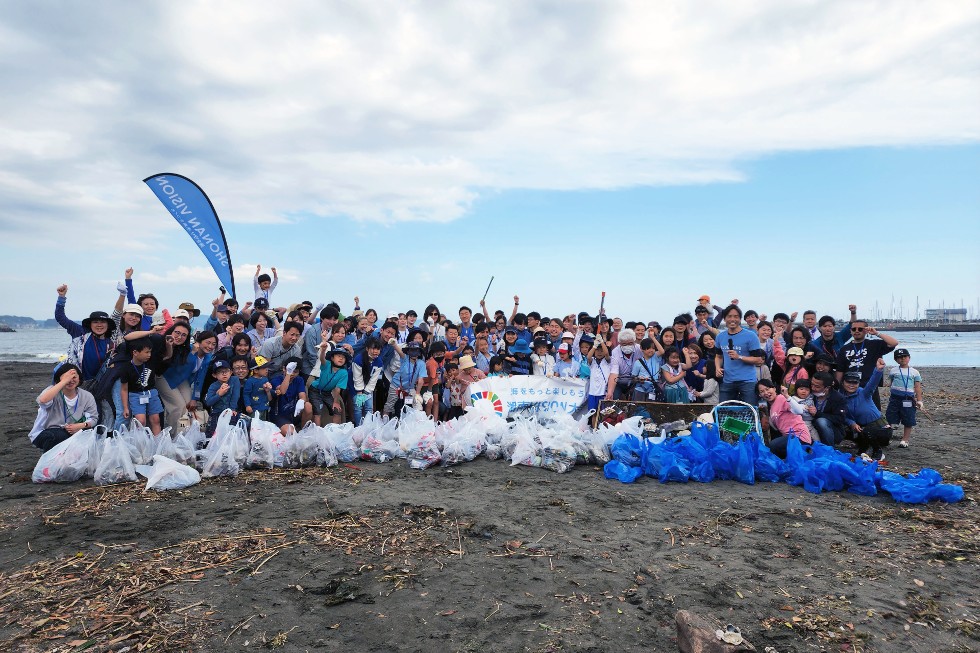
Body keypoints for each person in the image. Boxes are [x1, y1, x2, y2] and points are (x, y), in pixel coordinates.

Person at [54, 285, 119, 383]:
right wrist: (61, 297)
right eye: (95, 322)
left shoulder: (112, 342)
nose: (99, 325)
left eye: (103, 322)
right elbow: (60, 317)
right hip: (77, 381)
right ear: (90, 324)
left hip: (101, 383)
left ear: (108, 325)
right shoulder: (81, 333)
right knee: (57, 371)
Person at [28, 364, 98, 452]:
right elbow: (43, 400)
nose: (70, 380)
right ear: (59, 379)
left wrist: (81, 425)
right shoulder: (52, 391)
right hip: (46, 431)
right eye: (67, 378)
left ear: (79, 378)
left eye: (74, 377)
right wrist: (63, 382)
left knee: (90, 436)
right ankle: (49, 462)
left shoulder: (86, 396)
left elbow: (93, 418)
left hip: (75, 430)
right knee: (59, 436)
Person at [157, 324, 213, 432]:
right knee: (179, 406)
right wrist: (192, 353)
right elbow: (183, 367)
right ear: (199, 341)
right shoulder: (189, 349)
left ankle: (183, 433)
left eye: (184, 335)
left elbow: (198, 379)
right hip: (163, 376)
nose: (210, 346)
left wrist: (194, 398)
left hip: (180, 379)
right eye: (177, 333)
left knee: (188, 405)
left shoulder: (206, 356)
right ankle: (174, 435)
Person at [835, 320, 898, 408]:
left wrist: (876, 333)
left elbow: (894, 343)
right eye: (854, 329)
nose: (857, 331)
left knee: (873, 413)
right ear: (850, 331)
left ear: (866, 330)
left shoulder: (874, 344)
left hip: (870, 386)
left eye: (860, 329)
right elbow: (840, 370)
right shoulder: (844, 349)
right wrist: (837, 388)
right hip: (850, 385)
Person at [714, 305, 765, 405]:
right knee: (724, 411)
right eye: (729, 316)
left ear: (740, 319)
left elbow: (758, 359)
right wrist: (717, 368)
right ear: (724, 318)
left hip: (747, 381)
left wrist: (739, 357)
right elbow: (718, 356)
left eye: (736, 316)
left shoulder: (750, 336)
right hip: (727, 381)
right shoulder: (720, 336)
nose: (732, 319)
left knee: (750, 411)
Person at [842, 360, 892, 461]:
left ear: (858, 383)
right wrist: (852, 423)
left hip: (881, 428)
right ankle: (863, 448)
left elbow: (873, 383)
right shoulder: (841, 398)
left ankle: (878, 451)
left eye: (854, 382)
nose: (851, 385)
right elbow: (843, 416)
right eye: (848, 382)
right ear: (843, 382)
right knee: (847, 431)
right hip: (862, 428)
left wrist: (878, 370)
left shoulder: (865, 393)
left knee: (868, 430)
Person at [756, 379, 811, 458]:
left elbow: (799, 411)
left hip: (799, 438)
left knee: (773, 445)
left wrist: (787, 396)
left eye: (767, 389)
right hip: (788, 439)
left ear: (774, 389)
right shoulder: (771, 408)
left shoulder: (781, 398)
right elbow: (776, 428)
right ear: (760, 395)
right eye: (762, 391)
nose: (766, 393)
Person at [120, 338, 164, 435]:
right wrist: (125, 407)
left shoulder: (150, 362)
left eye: (150, 352)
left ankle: (158, 444)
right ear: (135, 352)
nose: (149, 355)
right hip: (136, 395)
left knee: (156, 419)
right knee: (140, 421)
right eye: (146, 352)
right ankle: (140, 444)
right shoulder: (126, 368)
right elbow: (124, 389)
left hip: (151, 393)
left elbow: (167, 355)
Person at [886, 348, 923, 448]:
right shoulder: (893, 370)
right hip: (894, 398)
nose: (902, 359)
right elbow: (891, 382)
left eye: (904, 356)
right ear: (895, 360)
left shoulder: (914, 372)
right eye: (899, 357)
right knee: (890, 418)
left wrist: (919, 400)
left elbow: (917, 387)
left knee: (908, 419)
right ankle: (886, 438)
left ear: (909, 358)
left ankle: (905, 440)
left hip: (908, 399)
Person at [309, 347, 351, 425]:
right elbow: (322, 359)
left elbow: (338, 389)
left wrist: (336, 402)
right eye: (338, 356)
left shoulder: (344, 372)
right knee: (317, 412)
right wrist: (323, 350)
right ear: (332, 358)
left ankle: (334, 432)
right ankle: (318, 433)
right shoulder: (327, 364)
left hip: (327, 393)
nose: (341, 358)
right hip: (315, 390)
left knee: (337, 411)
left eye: (344, 357)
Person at [267, 357, 308, 435]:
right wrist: (288, 375)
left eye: (295, 372)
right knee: (289, 433)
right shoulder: (276, 379)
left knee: (308, 406)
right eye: (290, 371)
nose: (292, 374)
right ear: (284, 369)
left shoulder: (299, 380)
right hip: (279, 415)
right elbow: (282, 391)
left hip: (294, 413)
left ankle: (303, 432)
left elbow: (302, 395)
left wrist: (302, 400)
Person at [351, 338, 385, 425]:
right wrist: (359, 392)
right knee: (358, 407)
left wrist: (367, 391)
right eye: (373, 348)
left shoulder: (379, 362)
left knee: (369, 407)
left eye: (378, 349)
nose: (375, 351)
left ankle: (367, 426)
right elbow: (357, 377)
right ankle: (358, 427)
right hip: (355, 385)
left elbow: (374, 379)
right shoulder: (358, 359)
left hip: (368, 387)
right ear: (367, 349)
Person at [808, 372, 847, 446]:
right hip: (810, 426)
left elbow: (840, 419)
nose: (813, 388)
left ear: (827, 387)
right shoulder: (808, 393)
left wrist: (818, 414)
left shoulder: (838, 398)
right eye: (812, 384)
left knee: (821, 421)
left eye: (817, 386)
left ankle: (829, 449)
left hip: (832, 429)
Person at [605, 328, 640, 400]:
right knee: (613, 398)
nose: (627, 346)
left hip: (635, 381)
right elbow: (614, 373)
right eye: (624, 344)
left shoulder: (639, 349)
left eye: (630, 343)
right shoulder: (615, 351)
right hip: (619, 381)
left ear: (634, 341)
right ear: (619, 343)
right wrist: (610, 392)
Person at [631, 337, 665, 401]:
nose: (651, 350)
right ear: (642, 348)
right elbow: (633, 377)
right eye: (648, 348)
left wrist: (653, 337)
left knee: (651, 408)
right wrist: (639, 379)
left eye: (653, 348)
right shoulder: (638, 362)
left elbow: (662, 351)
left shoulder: (655, 357)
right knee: (638, 407)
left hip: (653, 388)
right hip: (640, 389)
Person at [243, 356, 274, 420]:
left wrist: (268, 391)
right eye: (264, 368)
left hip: (265, 407)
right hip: (254, 409)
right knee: (254, 426)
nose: (266, 370)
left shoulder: (265, 379)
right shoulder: (250, 381)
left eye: (267, 368)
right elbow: (246, 394)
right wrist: (247, 405)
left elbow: (270, 398)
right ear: (256, 370)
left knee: (263, 425)